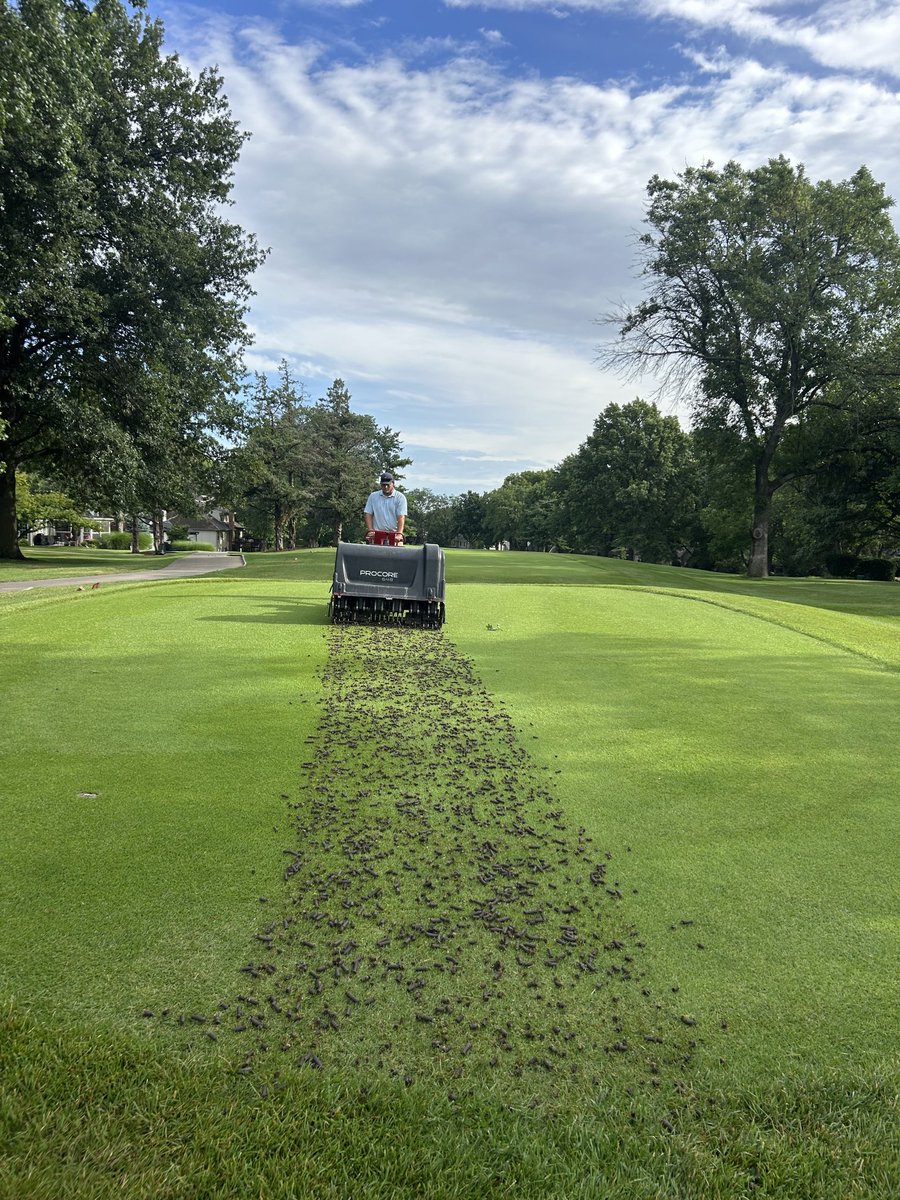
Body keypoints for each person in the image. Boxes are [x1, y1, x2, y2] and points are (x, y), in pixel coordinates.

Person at [364, 471, 407, 545]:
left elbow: (401, 517)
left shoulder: (400, 497)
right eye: (383, 485)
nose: (386, 487)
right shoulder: (373, 496)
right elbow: (368, 514)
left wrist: (399, 533)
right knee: (373, 555)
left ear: (393, 483)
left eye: (388, 485)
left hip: (394, 535)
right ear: (380, 484)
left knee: (397, 555)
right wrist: (370, 530)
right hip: (376, 534)